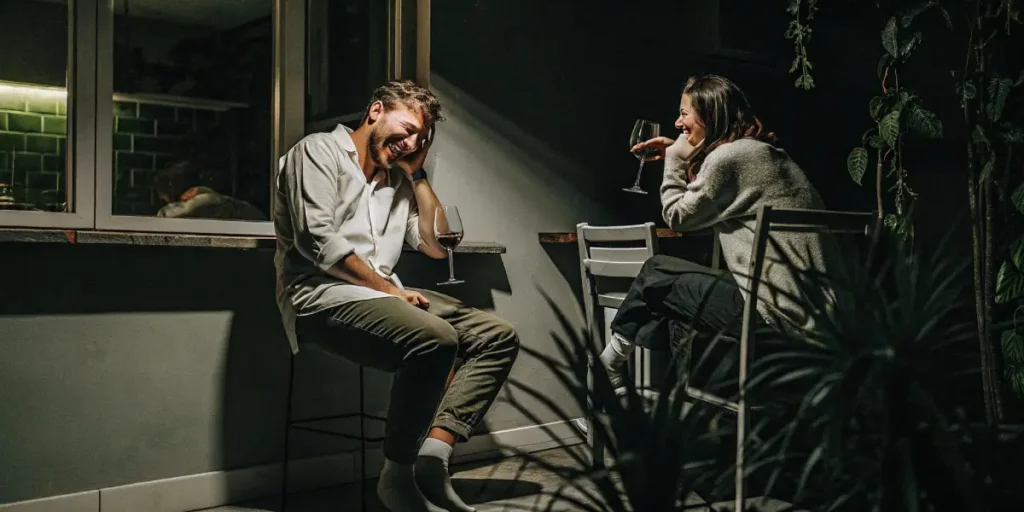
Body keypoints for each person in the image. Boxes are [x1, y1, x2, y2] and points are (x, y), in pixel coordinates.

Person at [274, 80, 520, 512]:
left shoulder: (397, 177)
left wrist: (417, 175)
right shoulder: (316, 152)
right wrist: (389, 291)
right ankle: (397, 475)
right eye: (405, 129)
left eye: (420, 139)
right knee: (436, 339)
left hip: (387, 295)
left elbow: (436, 244)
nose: (409, 142)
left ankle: (433, 458)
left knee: (497, 336)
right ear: (375, 112)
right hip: (322, 297)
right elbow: (318, 244)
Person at [598, 74, 838, 396]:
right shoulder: (764, 153)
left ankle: (610, 371)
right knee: (672, 297)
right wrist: (685, 154)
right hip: (819, 313)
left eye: (684, 113)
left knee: (656, 274)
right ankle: (687, 408)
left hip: (774, 313)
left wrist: (674, 159)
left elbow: (678, 216)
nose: (677, 122)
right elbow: (719, 189)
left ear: (709, 114)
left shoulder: (729, 158)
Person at [154, 160, 265, 220]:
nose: (164, 201)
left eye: (165, 196)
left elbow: (165, 217)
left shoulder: (204, 201)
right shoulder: (211, 199)